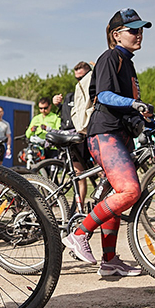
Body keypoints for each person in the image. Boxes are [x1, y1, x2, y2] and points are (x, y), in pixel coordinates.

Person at [61, 9, 153, 278]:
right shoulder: (111, 57)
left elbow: (130, 105)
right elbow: (105, 95)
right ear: (116, 35)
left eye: (141, 29)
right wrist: (133, 103)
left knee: (115, 197)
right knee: (130, 191)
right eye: (133, 30)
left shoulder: (129, 62)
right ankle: (79, 234)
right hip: (104, 133)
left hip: (120, 133)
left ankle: (110, 260)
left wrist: (150, 119)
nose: (139, 34)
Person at [59, 61, 93, 209]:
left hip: (89, 134)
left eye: (83, 77)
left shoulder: (94, 87)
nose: (81, 81)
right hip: (74, 136)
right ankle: (77, 208)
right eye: (77, 79)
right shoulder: (71, 95)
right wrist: (57, 105)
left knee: (100, 171)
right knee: (79, 175)